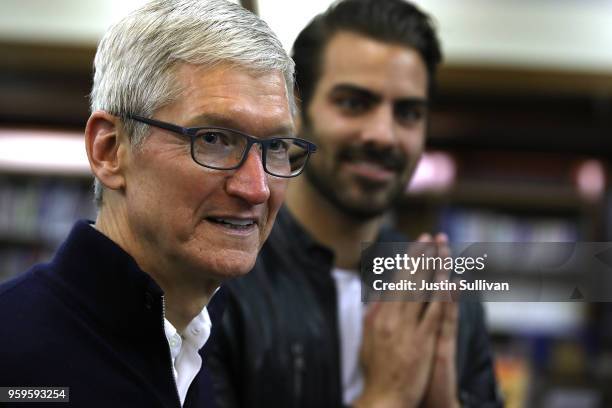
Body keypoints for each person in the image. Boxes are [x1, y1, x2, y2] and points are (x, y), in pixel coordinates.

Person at [0, 1, 316, 407]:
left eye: (275, 147)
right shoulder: (14, 359)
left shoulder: (208, 353)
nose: (257, 188)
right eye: (214, 139)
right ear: (110, 150)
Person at [207, 0, 502, 407]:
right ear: (297, 110)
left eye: (408, 112)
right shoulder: (220, 281)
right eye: (353, 103)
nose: (383, 134)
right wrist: (387, 397)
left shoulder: (447, 295)